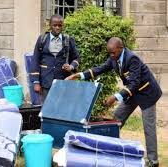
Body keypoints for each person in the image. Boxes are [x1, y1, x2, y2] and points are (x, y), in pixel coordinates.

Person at [66, 37, 162, 167]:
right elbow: (100, 69)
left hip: (147, 93)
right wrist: (79, 75)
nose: (111, 56)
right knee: (116, 120)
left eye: (113, 53)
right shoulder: (113, 58)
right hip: (132, 92)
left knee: (148, 128)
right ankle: (109, 151)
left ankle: (153, 161)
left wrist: (115, 97)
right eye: (109, 53)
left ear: (120, 49)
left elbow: (134, 83)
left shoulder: (132, 58)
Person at [30, 14, 80, 101]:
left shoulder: (68, 40)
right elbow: (35, 60)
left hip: (63, 81)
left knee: (62, 108)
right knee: (46, 109)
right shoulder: (42, 39)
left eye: (60, 25)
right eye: (55, 25)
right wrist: (36, 82)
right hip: (45, 82)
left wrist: (71, 66)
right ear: (50, 25)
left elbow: (77, 58)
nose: (57, 28)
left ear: (63, 26)